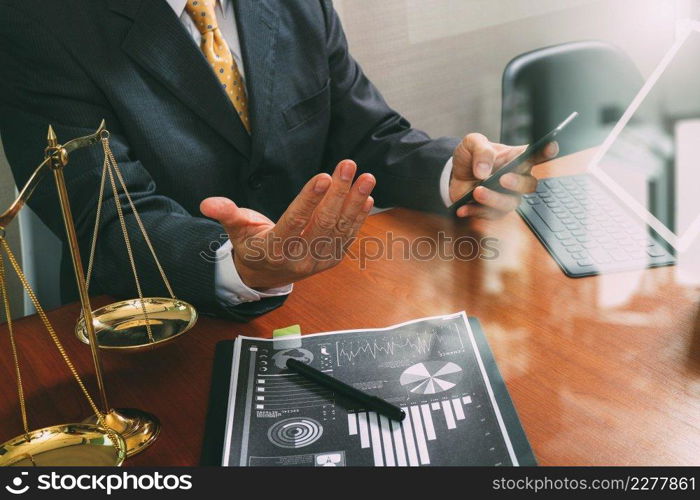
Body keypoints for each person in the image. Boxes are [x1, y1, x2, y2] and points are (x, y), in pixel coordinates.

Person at [0, 0, 556, 320]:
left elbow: (368, 135)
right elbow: (109, 220)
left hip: (321, 301)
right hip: (155, 324)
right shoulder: (35, 23)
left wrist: (446, 173)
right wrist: (240, 265)